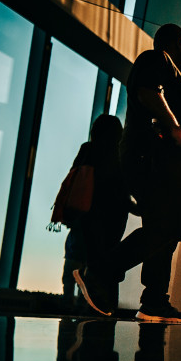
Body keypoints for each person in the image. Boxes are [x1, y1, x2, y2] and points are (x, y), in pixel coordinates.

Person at [74, 23, 181, 323]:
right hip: (149, 160)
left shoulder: (165, 69)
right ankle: (101, 271)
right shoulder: (157, 59)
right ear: (179, 43)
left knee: (166, 231)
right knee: (166, 226)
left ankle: (154, 301)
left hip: (159, 164)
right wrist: (175, 128)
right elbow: (147, 90)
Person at [61, 115, 130, 307]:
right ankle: (102, 308)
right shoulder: (120, 154)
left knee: (74, 262)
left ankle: (68, 306)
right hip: (111, 221)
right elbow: (123, 190)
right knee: (106, 266)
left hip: (84, 217)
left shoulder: (88, 149)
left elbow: (74, 179)